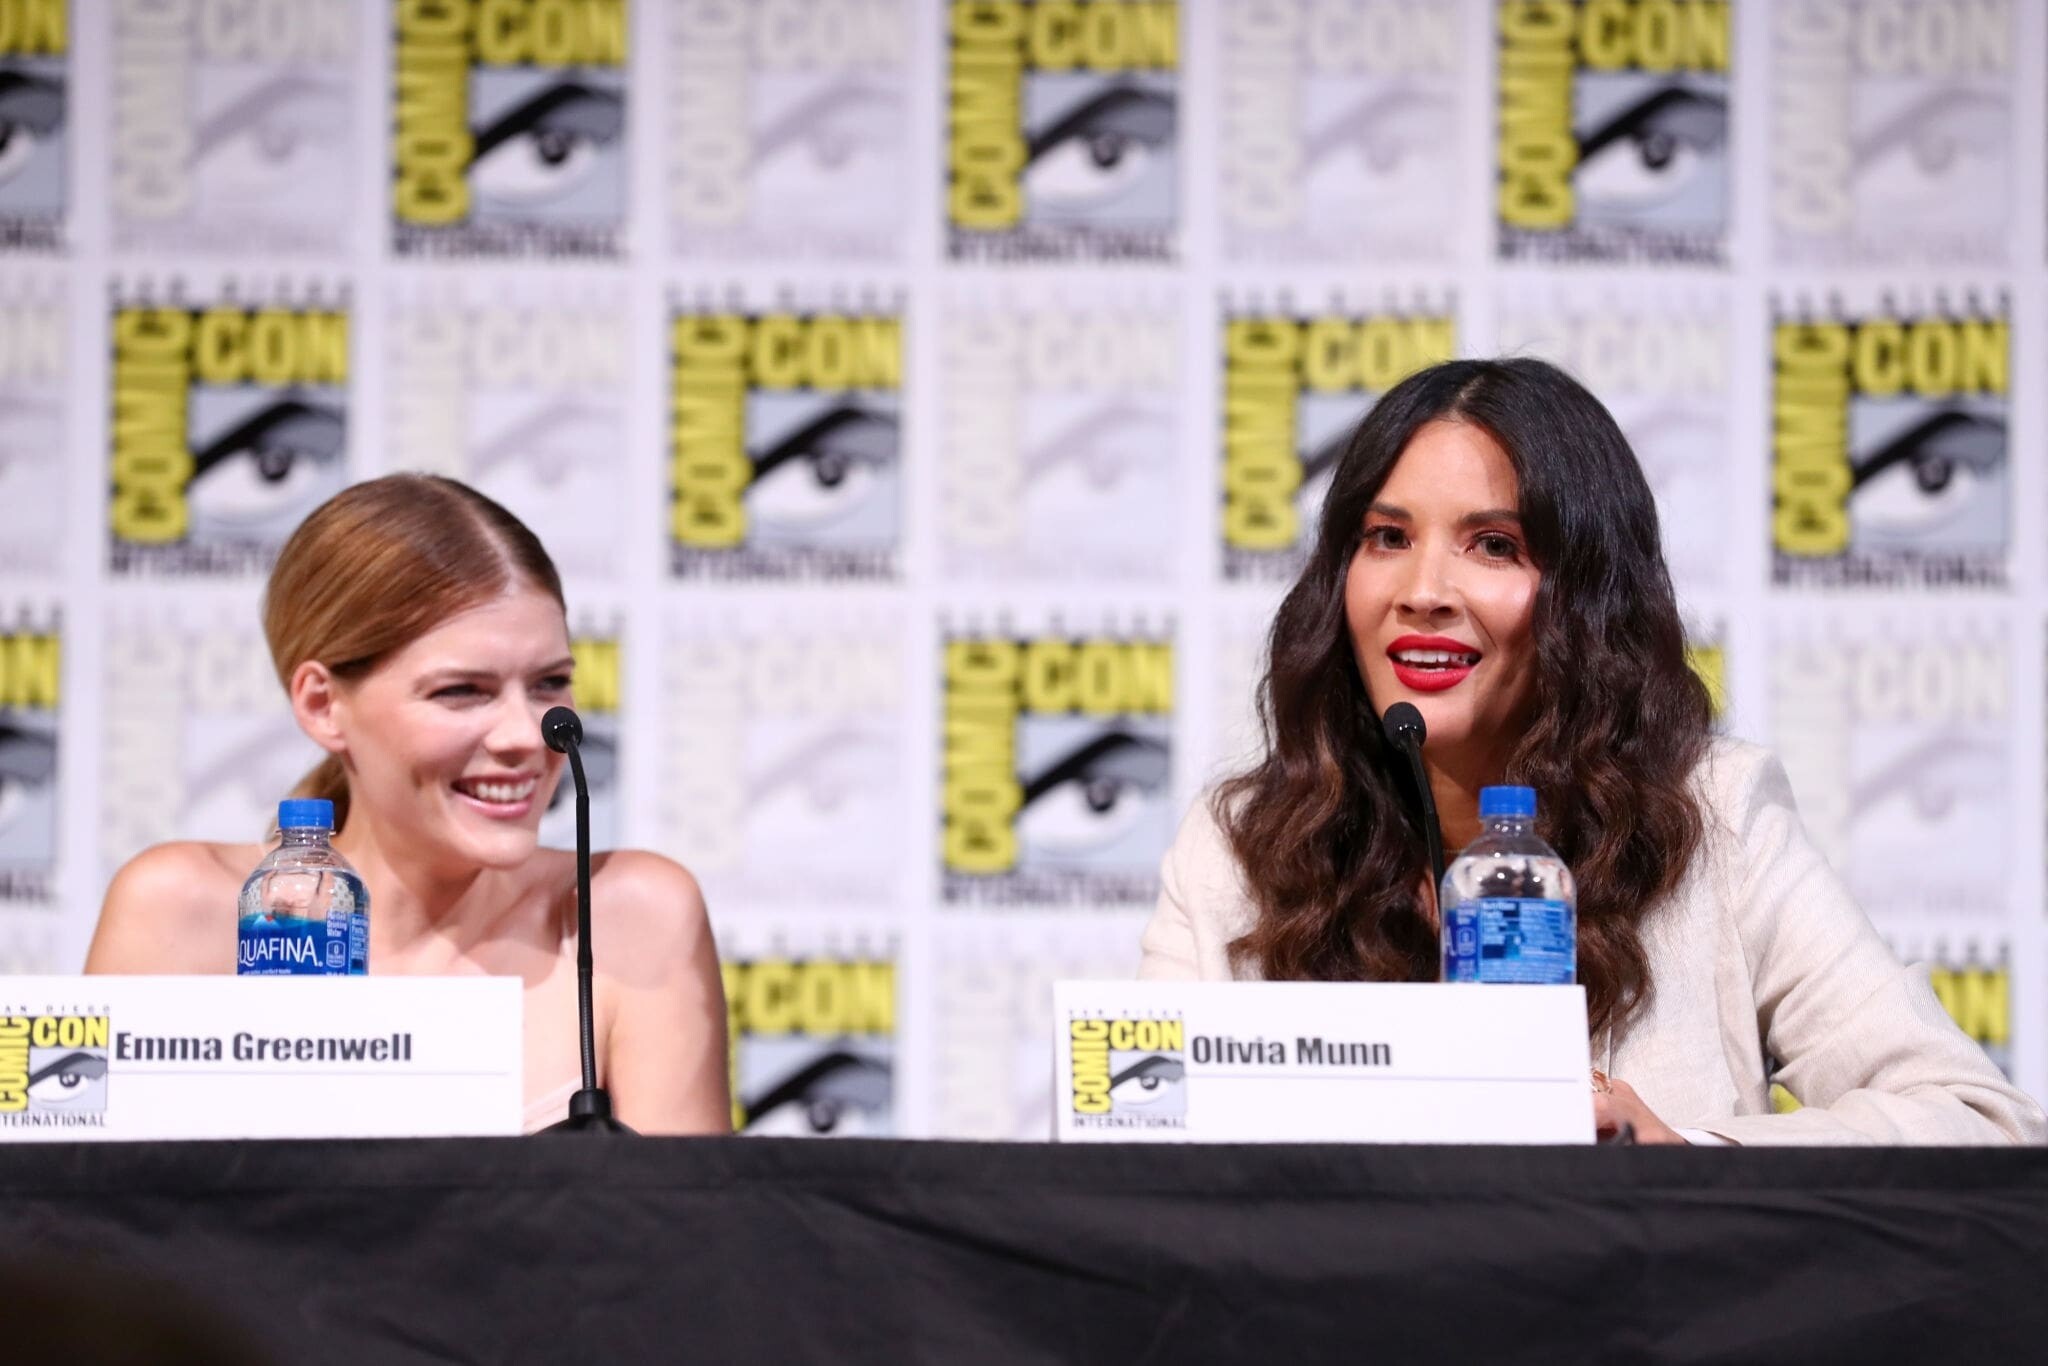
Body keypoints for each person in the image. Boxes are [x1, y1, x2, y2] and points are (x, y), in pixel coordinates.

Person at [1140, 357, 2044, 1146]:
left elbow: (1974, 1118)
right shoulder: (1239, 845)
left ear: (1586, 599)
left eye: (1494, 546)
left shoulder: (1714, 820)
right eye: (1388, 538)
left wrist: (1682, 1156)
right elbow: (1133, 1131)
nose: (1423, 591)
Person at [86, 475, 730, 1135]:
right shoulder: (181, 912)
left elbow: (686, 1206)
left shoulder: (628, 915)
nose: (524, 735)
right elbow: (82, 1196)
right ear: (322, 705)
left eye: (549, 683)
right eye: (462, 691)